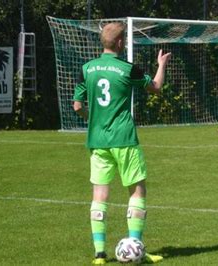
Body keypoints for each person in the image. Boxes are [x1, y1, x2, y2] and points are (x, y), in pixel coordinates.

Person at [73, 22, 171, 265]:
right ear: (120, 43)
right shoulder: (128, 69)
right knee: (137, 191)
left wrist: (94, 119)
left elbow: (77, 106)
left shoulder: (86, 69)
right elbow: (156, 88)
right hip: (124, 140)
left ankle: (99, 255)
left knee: (100, 196)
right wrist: (162, 65)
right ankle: (136, 247)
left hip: (97, 141)